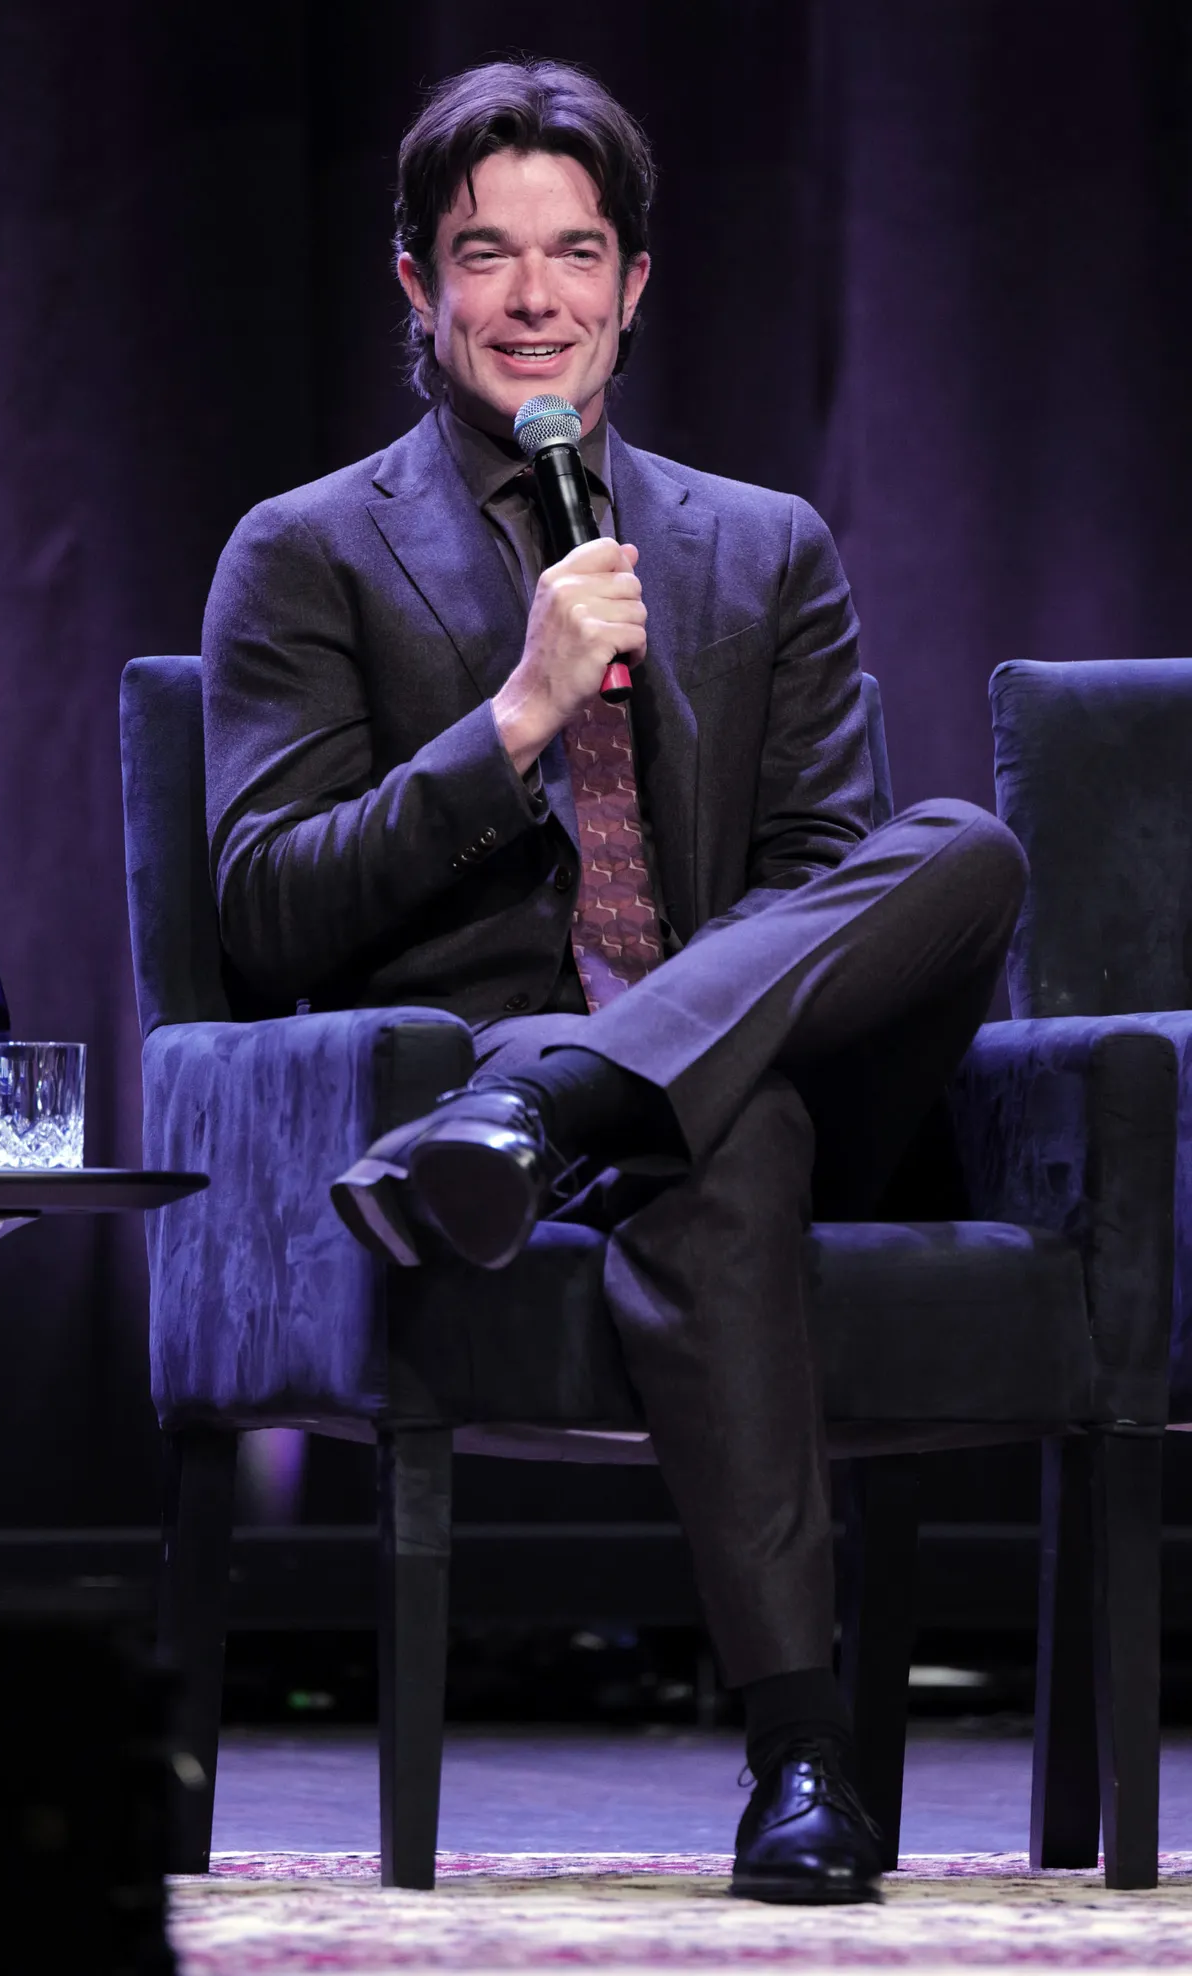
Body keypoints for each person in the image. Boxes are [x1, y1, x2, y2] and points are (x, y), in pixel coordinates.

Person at [203, 58, 1026, 1905]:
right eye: (483, 256)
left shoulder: (761, 542)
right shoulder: (306, 550)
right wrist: (513, 716)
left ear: (636, 282)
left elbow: (839, 878)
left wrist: (651, 1037)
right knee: (712, 1142)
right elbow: (263, 910)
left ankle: (577, 1102)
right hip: (492, 1051)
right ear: (414, 286)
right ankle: (805, 1761)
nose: (534, 299)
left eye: (575, 254)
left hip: (722, 1051)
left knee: (965, 849)